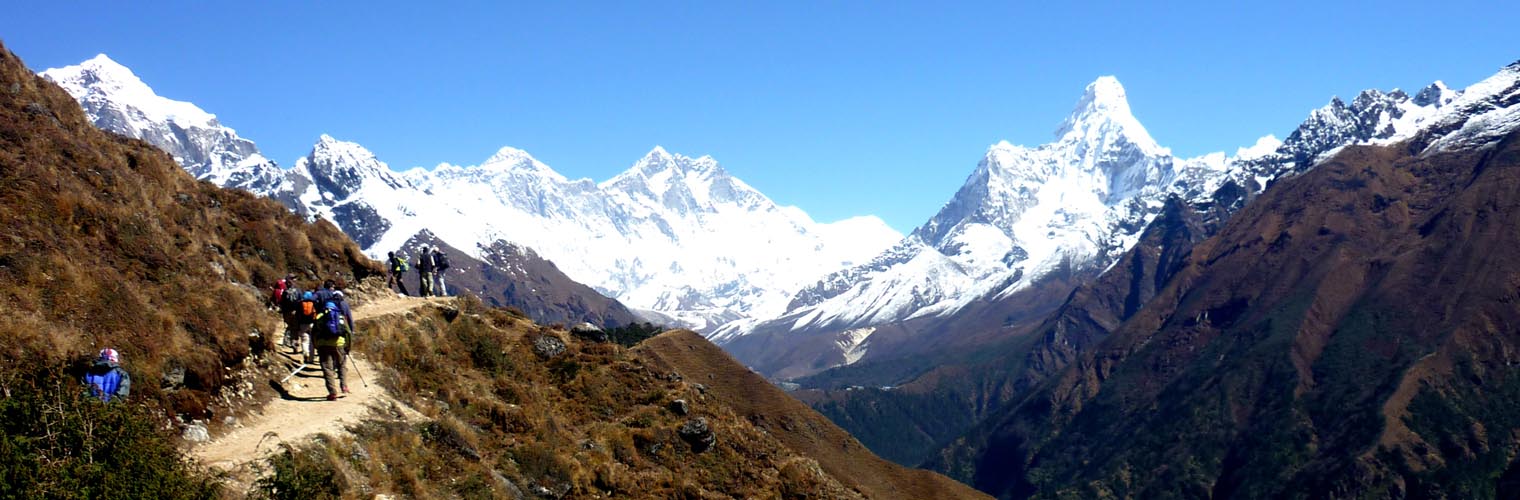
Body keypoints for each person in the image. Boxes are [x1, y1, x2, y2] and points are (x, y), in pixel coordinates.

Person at [313, 290, 355, 401]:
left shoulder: (319, 316)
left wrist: (316, 345)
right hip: (339, 344)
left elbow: (314, 333)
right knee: (341, 365)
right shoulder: (340, 317)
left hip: (323, 345)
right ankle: (344, 386)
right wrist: (348, 347)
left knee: (327, 368)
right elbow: (348, 333)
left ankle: (332, 393)